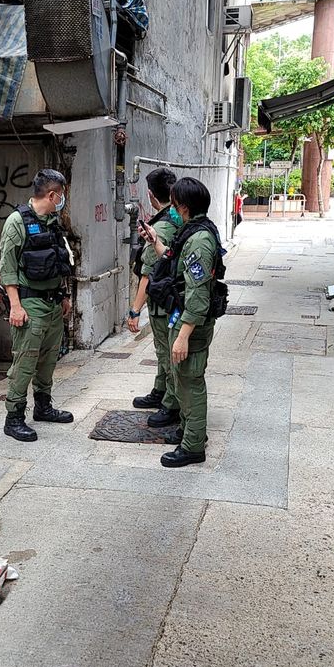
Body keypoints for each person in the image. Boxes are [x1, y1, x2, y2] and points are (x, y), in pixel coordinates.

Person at [142, 177, 226, 468]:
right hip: (183, 318)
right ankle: (189, 432)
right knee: (183, 380)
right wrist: (155, 240)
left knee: (190, 382)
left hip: (191, 324)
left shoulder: (200, 240)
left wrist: (182, 336)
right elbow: (174, 259)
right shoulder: (192, 231)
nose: (172, 210)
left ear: (185, 207)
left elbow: (199, 293)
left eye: (175, 205)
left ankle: (192, 446)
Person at [0, 168, 74, 442]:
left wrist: (64, 296)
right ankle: (14, 417)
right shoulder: (17, 222)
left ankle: (43, 407)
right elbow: (7, 269)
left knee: (48, 359)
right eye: (61, 195)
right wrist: (15, 307)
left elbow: (58, 261)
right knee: (25, 362)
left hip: (53, 302)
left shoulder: (53, 221)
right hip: (29, 304)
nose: (62, 200)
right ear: (52, 194)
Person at [128, 167, 181, 428]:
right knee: (165, 352)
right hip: (174, 297)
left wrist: (135, 310)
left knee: (165, 353)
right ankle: (160, 391)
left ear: (150, 195)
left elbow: (148, 274)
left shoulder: (161, 225)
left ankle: (170, 404)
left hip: (164, 301)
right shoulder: (178, 217)